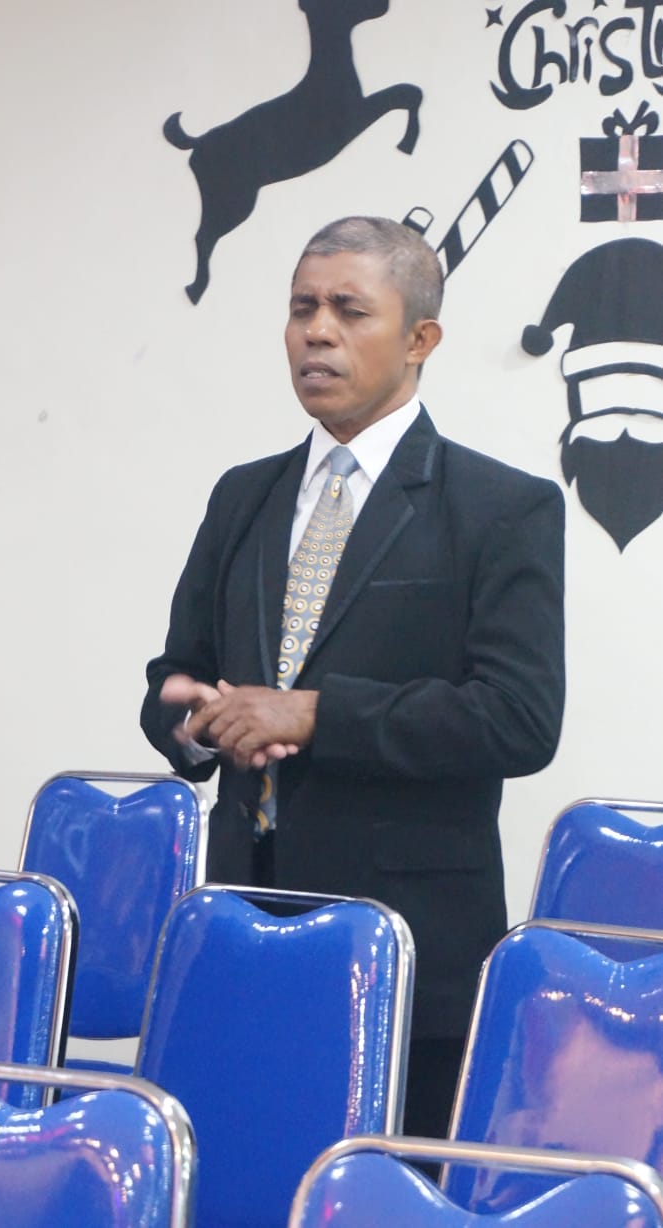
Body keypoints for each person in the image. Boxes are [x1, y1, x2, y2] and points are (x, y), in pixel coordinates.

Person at [140, 215, 565, 1138]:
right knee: (240, 1177)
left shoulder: (501, 508)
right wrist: (194, 721)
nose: (316, 333)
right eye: (302, 309)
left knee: (385, 1190)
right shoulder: (243, 494)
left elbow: (518, 718)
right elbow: (178, 674)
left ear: (420, 339)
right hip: (245, 927)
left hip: (411, 953)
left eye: (347, 310)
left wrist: (316, 715)